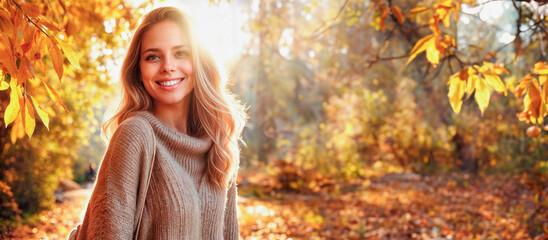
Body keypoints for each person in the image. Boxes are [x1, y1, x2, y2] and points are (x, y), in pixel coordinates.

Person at [72, 6, 246, 239]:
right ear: (139, 70)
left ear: (199, 61)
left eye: (181, 53)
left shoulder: (218, 141)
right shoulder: (135, 134)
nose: (168, 66)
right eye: (153, 56)